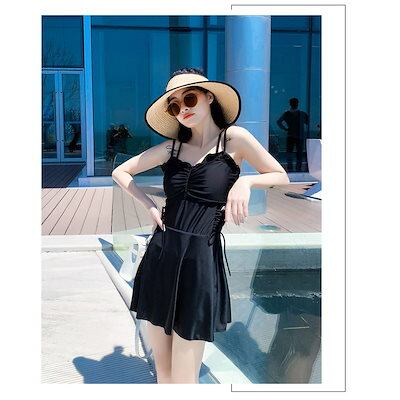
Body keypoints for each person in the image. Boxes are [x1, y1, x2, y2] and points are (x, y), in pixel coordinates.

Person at [112, 67, 289, 384]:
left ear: (209, 97)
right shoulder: (172, 148)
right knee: (164, 374)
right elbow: (121, 172)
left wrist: (246, 182)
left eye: (189, 98)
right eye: (174, 106)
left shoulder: (234, 139)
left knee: (184, 377)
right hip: (161, 256)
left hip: (200, 260)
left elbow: (280, 175)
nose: (183, 108)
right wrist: (149, 204)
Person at [276, 97, 309, 172]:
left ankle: (290, 168)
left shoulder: (287, 113)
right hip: (299, 136)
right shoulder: (302, 113)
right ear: (297, 104)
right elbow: (308, 122)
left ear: (290, 104)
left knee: (290, 153)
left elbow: (278, 122)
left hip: (291, 136)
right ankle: (298, 169)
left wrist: (285, 128)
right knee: (299, 154)